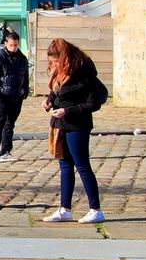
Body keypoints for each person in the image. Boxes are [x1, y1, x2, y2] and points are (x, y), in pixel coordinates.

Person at [42, 38, 109, 223]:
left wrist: (67, 111)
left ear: (64, 57)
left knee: (82, 166)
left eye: (56, 61)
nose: (53, 64)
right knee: (65, 166)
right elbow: (58, 92)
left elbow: (93, 103)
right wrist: (49, 101)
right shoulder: (59, 72)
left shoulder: (83, 71)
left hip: (78, 124)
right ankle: (65, 209)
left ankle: (95, 209)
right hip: (60, 124)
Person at [0, 29, 30, 161]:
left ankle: (6, 151)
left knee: (10, 126)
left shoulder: (22, 59)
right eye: (11, 45)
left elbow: (25, 78)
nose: (14, 47)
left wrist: (24, 92)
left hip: (16, 97)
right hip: (2, 97)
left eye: (16, 45)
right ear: (6, 44)